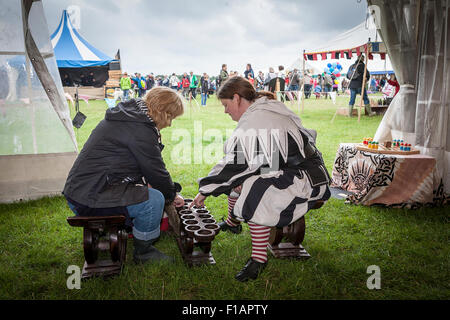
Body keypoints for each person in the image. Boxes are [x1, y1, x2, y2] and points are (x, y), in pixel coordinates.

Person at [191, 76, 331, 282]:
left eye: (226, 104)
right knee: (240, 179)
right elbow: (258, 157)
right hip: (290, 168)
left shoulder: (257, 117)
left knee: (254, 189)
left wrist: (205, 190)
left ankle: (258, 259)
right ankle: (232, 223)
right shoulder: (264, 108)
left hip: (306, 178)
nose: (225, 110)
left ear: (237, 98)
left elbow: (235, 162)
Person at [63, 87, 185, 264]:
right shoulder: (140, 127)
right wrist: (171, 195)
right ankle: (143, 252)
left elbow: (140, 168)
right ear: (163, 112)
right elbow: (156, 171)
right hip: (90, 197)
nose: (170, 123)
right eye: (171, 117)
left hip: (81, 191)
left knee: (150, 192)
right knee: (154, 200)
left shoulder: (129, 118)